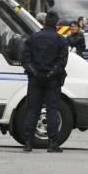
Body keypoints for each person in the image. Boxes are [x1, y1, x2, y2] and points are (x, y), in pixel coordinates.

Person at [21, 11, 69, 153]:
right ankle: (52, 143)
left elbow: (25, 59)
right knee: (52, 111)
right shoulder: (61, 40)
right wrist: (51, 74)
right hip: (53, 81)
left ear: (44, 22)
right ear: (57, 24)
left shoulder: (33, 38)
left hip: (35, 80)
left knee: (32, 110)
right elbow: (62, 62)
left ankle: (28, 143)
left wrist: (35, 73)